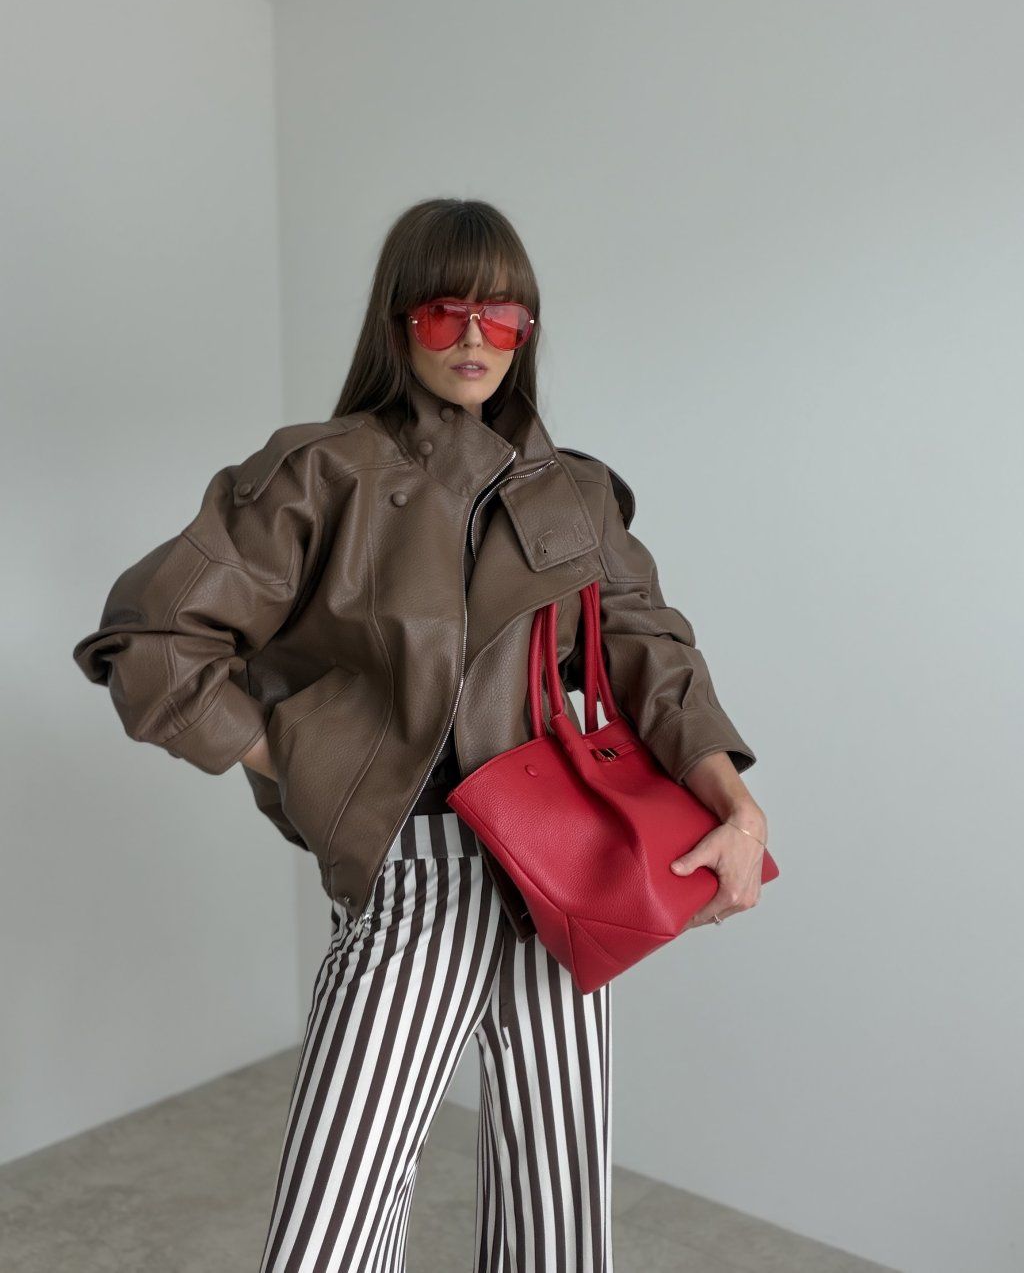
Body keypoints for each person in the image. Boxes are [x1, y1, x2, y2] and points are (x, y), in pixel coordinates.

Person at [72, 197, 767, 1272]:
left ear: (528, 328)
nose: (476, 339)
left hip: (564, 872)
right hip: (421, 867)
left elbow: (650, 654)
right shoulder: (325, 471)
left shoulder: (575, 491)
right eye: (448, 313)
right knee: (335, 1225)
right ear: (399, 321)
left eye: (504, 316)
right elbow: (154, 640)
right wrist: (302, 759)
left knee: (558, 1214)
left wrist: (734, 801)